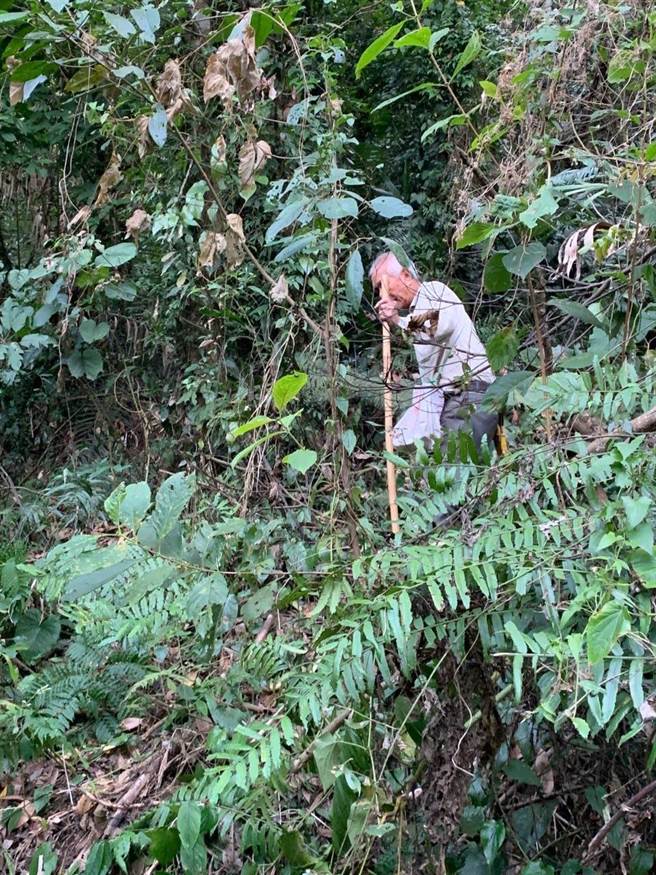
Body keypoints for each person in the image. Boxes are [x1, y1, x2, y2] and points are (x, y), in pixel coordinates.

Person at [370, 251, 498, 454]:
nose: (381, 294)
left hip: (469, 395)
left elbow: (436, 325)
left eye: (382, 285)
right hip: (459, 399)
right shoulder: (417, 309)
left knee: (460, 473)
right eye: (378, 289)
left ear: (405, 275)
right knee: (468, 472)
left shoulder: (433, 291)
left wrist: (397, 320)